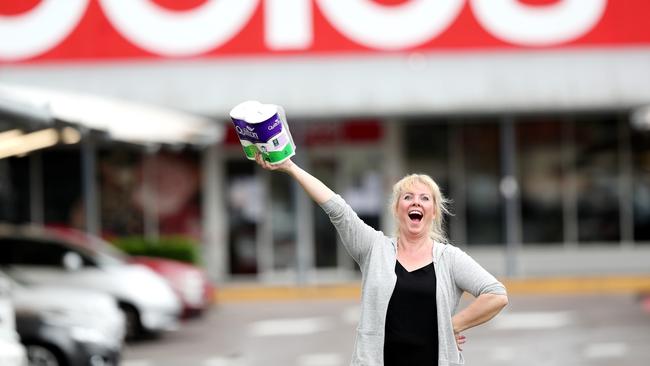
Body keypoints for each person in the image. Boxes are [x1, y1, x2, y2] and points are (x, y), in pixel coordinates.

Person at [255, 154, 508, 366]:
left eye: (424, 198)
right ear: (397, 209)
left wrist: (451, 325)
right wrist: (289, 166)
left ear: (433, 212)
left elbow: (496, 294)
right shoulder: (375, 248)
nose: (415, 202)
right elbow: (337, 209)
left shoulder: (449, 259)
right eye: (407, 197)